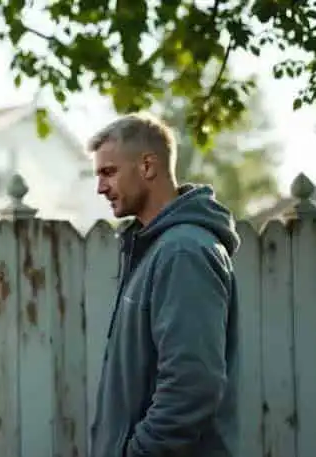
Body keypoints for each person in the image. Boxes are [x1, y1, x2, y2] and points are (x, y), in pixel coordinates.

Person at [87, 112, 240, 457]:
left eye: (108, 172)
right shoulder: (154, 248)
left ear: (147, 166)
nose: (100, 187)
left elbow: (192, 386)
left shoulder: (183, 252)